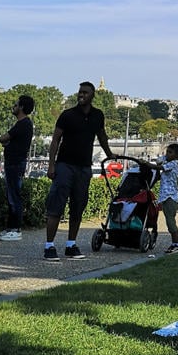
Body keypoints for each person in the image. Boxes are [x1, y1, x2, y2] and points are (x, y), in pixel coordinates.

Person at [43, 81, 116, 261]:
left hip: (84, 167)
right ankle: (49, 245)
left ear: (92, 95)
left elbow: (102, 137)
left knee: (78, 206)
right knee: (56, 206)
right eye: (79, 92)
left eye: (85, 92)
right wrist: (51, 165)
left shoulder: (98, 115)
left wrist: (110, 155)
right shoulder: (67, 115)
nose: (81, 95)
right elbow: (55, 141)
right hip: (65, 165)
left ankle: (70, 244)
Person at [0, 94, 35, 241]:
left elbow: (3, 138)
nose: (13, 106)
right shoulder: (24, 124)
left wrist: (7, 143)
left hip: (15, 163)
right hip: (14, 162)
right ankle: (10, 228)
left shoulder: (22, 124)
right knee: (11, 195)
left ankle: (15, 229)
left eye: (16, 104)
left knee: (14, 196)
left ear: (22, 107)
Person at [147, 142, 178, 253]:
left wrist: (147, 164)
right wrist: (164, 157)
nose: (167, 154)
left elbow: (159, 166)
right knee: (169, 219)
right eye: (167, 151)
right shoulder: (167, 160)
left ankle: (177, 243)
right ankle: (175, 243)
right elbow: (159, 161)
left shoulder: (173, 164)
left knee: (170, 221)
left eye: (170, 152)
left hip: (170, 196)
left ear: (176, 156)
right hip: (165, 196)